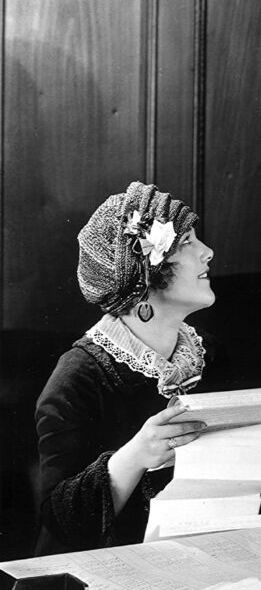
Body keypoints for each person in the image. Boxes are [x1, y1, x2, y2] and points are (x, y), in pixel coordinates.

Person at [35, 182, 214, 554]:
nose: (207, 252)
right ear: (145, 277)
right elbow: (58, 521)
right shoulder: (78, 376)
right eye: (187, 242)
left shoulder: (205, 353)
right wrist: (136, 455)